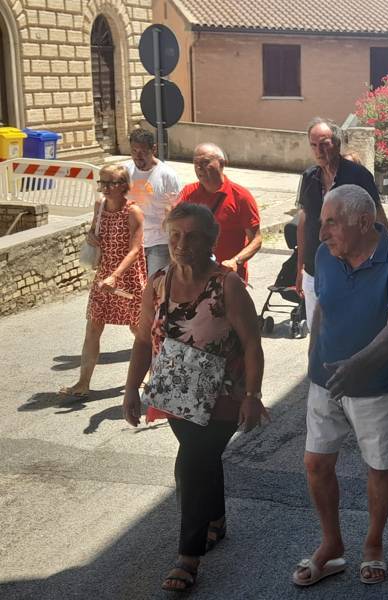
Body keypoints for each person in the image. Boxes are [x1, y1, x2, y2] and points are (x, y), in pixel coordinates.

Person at [122, 203, 268, 592]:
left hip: (224, 396)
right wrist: (131, 388)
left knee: (190, 464)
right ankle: (215, 519)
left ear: (210, 242)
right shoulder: (158, 283)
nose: (181, 243)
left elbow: (252, 344)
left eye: (192, 236)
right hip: (176, 394)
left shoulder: (227, 285)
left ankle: (188, 555)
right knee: (201, 459)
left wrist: (253, 395)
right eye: (175, 235)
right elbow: (142, 341)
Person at [292, 185, 388, 587]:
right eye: (322, 222)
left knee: (378, 467)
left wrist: (357, 365)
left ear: (364, 222)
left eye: (331, 223)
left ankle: (373, 544)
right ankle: (331, 545)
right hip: (325, 379)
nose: (321, 233)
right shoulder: (324, 255)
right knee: (316, 463)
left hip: (380, 384)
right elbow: (322, 310)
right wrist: (312, 359)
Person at [58, 164, 147, 398]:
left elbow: (135, 250)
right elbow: (93, 231)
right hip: (103, 278)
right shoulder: (100, 205)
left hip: (128, 280)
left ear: (124, 186)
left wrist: (115, 276)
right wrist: (90, 236)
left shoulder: (133, 212)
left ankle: (152, 374)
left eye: (111, 183)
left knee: (139, 329)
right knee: (93, 327)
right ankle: (83, 383)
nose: (105, 188)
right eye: (102, 182)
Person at [295, 118, 388, 331]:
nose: (319, 151)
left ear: (337, 144)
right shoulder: (309, 177)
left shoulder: (358, 176)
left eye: (324, 144)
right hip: (314, 270)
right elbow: (304, 222)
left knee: (349, 333)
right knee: (318, 336)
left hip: (350, 271)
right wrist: (299, 267)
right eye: (313, 145)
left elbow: (379, 220)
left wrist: (378, 267)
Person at [177, 143, 262, 281]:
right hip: (195, 273)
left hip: (227, 276)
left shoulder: (241, 197)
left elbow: (256, 240)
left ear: (221, 163)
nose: (199, 167)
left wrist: (236, 261)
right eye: (195, 163)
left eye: (205, 162)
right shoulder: (188, 192)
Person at [124, 128, 182, 276]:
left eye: (143, 151)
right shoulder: (125, 171)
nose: (138, 156)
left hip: (159, 242)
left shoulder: (167, 175)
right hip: (132, 239)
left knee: (155, 284)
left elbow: (176, 210)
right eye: (134, 151)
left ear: (153, 149)